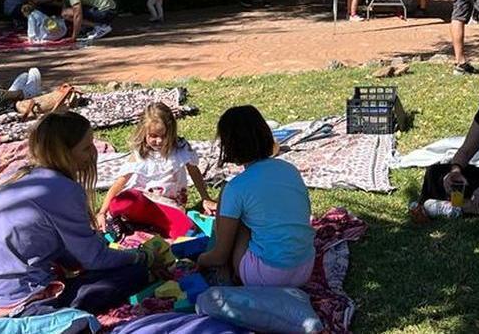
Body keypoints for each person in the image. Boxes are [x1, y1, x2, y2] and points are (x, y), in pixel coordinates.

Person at [0, 113, 158, 318]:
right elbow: (95, 259)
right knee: (134, 272)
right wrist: (141, 256)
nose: (93, 153)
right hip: (22, 303)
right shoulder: (63, 189)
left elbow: (65, 252)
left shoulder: (15, 176)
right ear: (64, 153)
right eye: (86, 148)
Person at [196, 105, 315, 287]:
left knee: (238, 221)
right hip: (305, 268)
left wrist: (199, 260)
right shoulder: (289, 169)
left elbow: (219, 256)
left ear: (229, 146)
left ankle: (228, 276)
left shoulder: (235, 187)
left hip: (266, 276)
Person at [97, 103, 217, 238]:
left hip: (168, 206)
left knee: (186, 230)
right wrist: (102, 212)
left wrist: (205, 198)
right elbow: (119, 183)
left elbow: (194, 172)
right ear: (144, 133)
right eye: (153, 136)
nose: (159, 141)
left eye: (163, 135)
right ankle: (123, 220)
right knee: (126, 198)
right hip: (144, 202)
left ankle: (144, 225)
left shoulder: (181, 149)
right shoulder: (140, 154)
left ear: (171, 131)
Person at [412, 76, 479, 221]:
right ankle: (469, 209)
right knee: (435, 172)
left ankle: (458, 208)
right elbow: (466, 150)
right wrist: (455, 170)